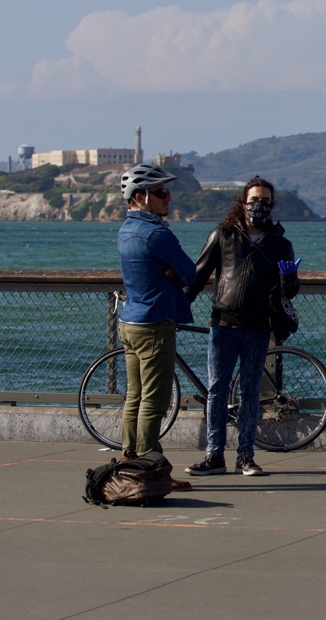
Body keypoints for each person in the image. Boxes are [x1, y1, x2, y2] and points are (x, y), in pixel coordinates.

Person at [185, 176, 301, 478]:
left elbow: (289, 292)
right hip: (223, 324)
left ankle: (246, 455)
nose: (259, 206)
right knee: (217, 390)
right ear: (243, 202)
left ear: (272, 205)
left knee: (250, 393)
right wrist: (177, 305)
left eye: (265, 201)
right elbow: (198, 275)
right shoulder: (222, 235)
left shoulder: (280, 244)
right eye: (254, 201)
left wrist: (289, 277)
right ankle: (214, 455)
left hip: (258, 327)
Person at [116, 163, 195, 491]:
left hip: (129, 321)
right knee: (154, 400)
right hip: (154, 324)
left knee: (134, 395)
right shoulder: (157, 234)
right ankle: (150, 468)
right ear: (140, 197)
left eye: (167, 191)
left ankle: (128, 459)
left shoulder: (125, 230)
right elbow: (190, 271)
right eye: (161, 193)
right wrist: (174, 271)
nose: (168, 198)